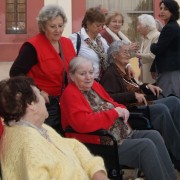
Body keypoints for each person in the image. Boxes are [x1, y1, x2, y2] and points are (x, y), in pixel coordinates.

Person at [60, 56, 176, 180]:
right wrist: (114, 113)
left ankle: (170, 177)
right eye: (82, 74)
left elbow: (111, 102)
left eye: (91, 72)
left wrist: (122, 109)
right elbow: (83, 123)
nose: (88, 77)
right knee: (145, 146)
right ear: (72, 76)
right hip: (102, 143)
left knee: (154, 136)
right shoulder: (70, 94)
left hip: (122, 133)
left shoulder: (94, 86)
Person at [0, 76, 108, 180]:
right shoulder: (29, 147)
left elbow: (73, 146)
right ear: (31, 104)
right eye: (39, 94)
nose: (44, 99)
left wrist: (97, 172)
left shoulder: (39, 128)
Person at [100, 40, 180, 170]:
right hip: (132, 111)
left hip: (142, 103)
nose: (128, 54)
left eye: (129, 51)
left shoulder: (125, 70)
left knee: (174, 101)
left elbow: (135, 87)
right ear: (114, 55)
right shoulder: (111, 73)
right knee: (162, 109)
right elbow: (109, 97)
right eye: (125, 52)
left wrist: (147, 86)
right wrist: (132, 96)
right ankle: (177, 156)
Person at [9, 5, 76, 133]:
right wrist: (37, 90)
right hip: (44, 104)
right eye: (53, 26)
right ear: (43, 26)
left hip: (65, 101)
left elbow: (72, 68)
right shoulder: (33, 46)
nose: (58, 30)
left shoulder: (67, 43)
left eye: (60, 25)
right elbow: (15, 73)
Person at [69, 7, 109, 81]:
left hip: (100, 82)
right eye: (97, 25)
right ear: (88, 23)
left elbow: (111, 56)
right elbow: (69, 62)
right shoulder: (76, 38)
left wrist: (128, 66)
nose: (100, 29)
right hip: (82, 82)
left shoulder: (101, 41)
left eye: (102, 26)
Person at [150, 0, 180, 97]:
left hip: (169, 70)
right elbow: (163, 50)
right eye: (161, 8)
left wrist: (151, 45)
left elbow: (158, 49)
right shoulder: (171, 26)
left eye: (166, 9)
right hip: (170, 69)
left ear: (172, 11)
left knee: (168, 98)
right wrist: (153, 67)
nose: (162, 11)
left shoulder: (170, 28)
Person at [136, 14, 160, 83]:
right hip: (146, 77)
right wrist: (141, 74)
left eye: (139, 25)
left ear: (146, 26)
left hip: (153, 78)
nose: (137, 28)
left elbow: (153, 55)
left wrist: (139, 55)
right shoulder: (145, 38)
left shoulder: (157, 36)